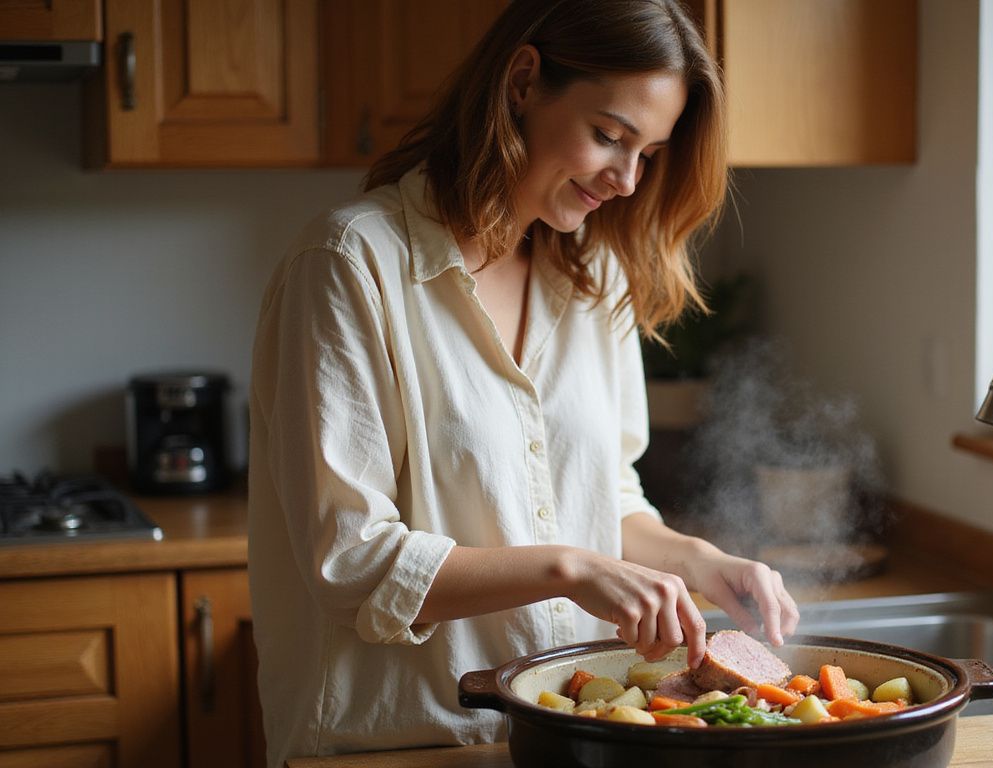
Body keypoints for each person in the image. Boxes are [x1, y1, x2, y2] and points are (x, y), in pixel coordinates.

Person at [247, 1, 800, 764]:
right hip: (399, 743)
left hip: (559, 732)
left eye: (649, 154)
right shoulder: (350, 264)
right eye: (609, 136)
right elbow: (350, 560)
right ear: (523, 82)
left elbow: (605, 495)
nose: (627, 180)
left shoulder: (593, 276)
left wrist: (696, 560)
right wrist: (571, 570)